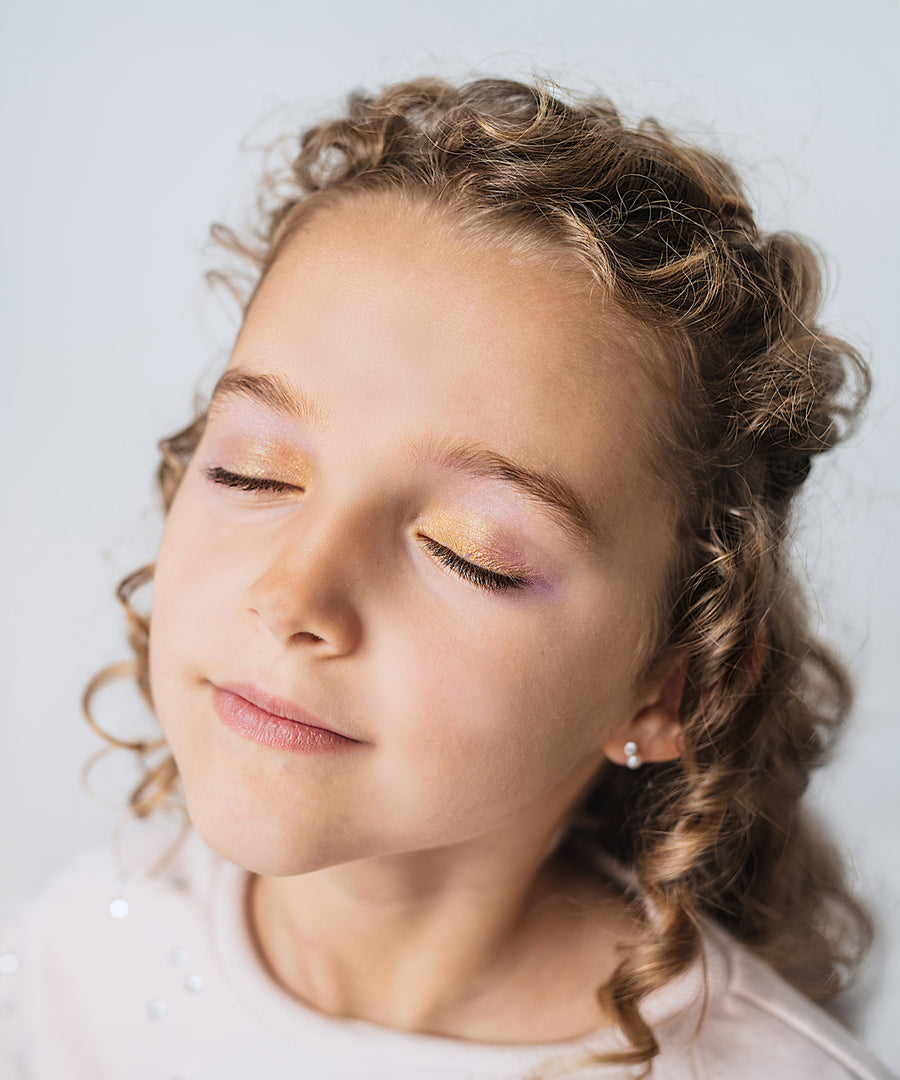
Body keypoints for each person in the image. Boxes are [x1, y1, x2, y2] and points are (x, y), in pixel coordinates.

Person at [0, 76, 893, 1080]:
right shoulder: (75, 967)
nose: (294, 596)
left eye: (471, 551)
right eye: (252, 470)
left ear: (674, 686)